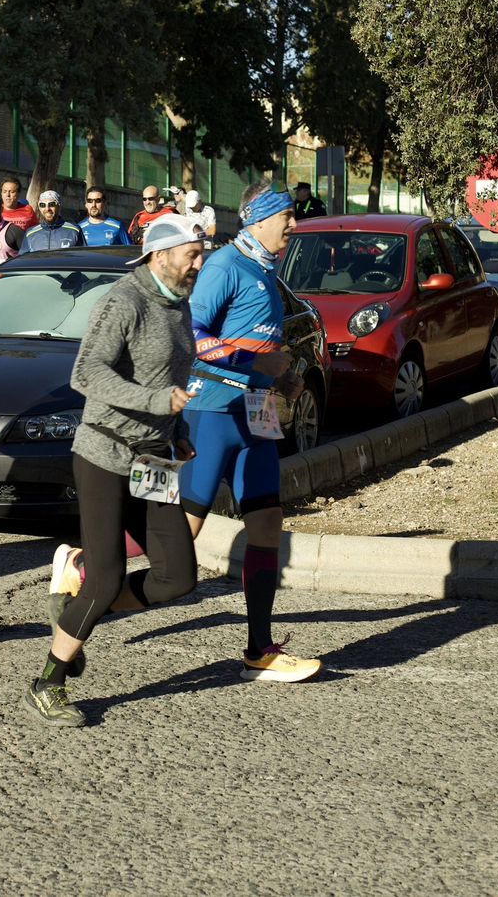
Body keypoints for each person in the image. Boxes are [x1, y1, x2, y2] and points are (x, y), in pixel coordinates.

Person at [26, 215, 208, 726]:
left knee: (177, 576)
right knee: (106, 576)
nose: (199, 263)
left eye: (201, 254)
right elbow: (85, 373)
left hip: (153, 458)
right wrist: (154, 401)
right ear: (159, 254)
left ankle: (74, 613)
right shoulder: (123, 300)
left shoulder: (177, 303)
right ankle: (47, 684)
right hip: (105, 452)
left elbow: (168, 376)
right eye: (192, 254)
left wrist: (178, 429)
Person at [174, 182, 319, 682]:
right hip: (211, 412)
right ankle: (83, 567)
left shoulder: (265, 270)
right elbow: (192, 337)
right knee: (182, 532)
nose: (294, 224)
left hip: (256, 413)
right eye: (287, 216)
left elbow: (257, 344)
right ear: (259, 219)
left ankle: (260, 650)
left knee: (268, 522)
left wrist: (280, 378)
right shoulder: (224, 265)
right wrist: (256, 363)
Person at [19, 190, 85, 254]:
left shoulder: (74, 230)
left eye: (51, 204)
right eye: (42, 205)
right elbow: (22, 259)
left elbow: (84, 257)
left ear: (59, 206)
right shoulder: (30, 233)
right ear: (39, 208)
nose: (47, 208)